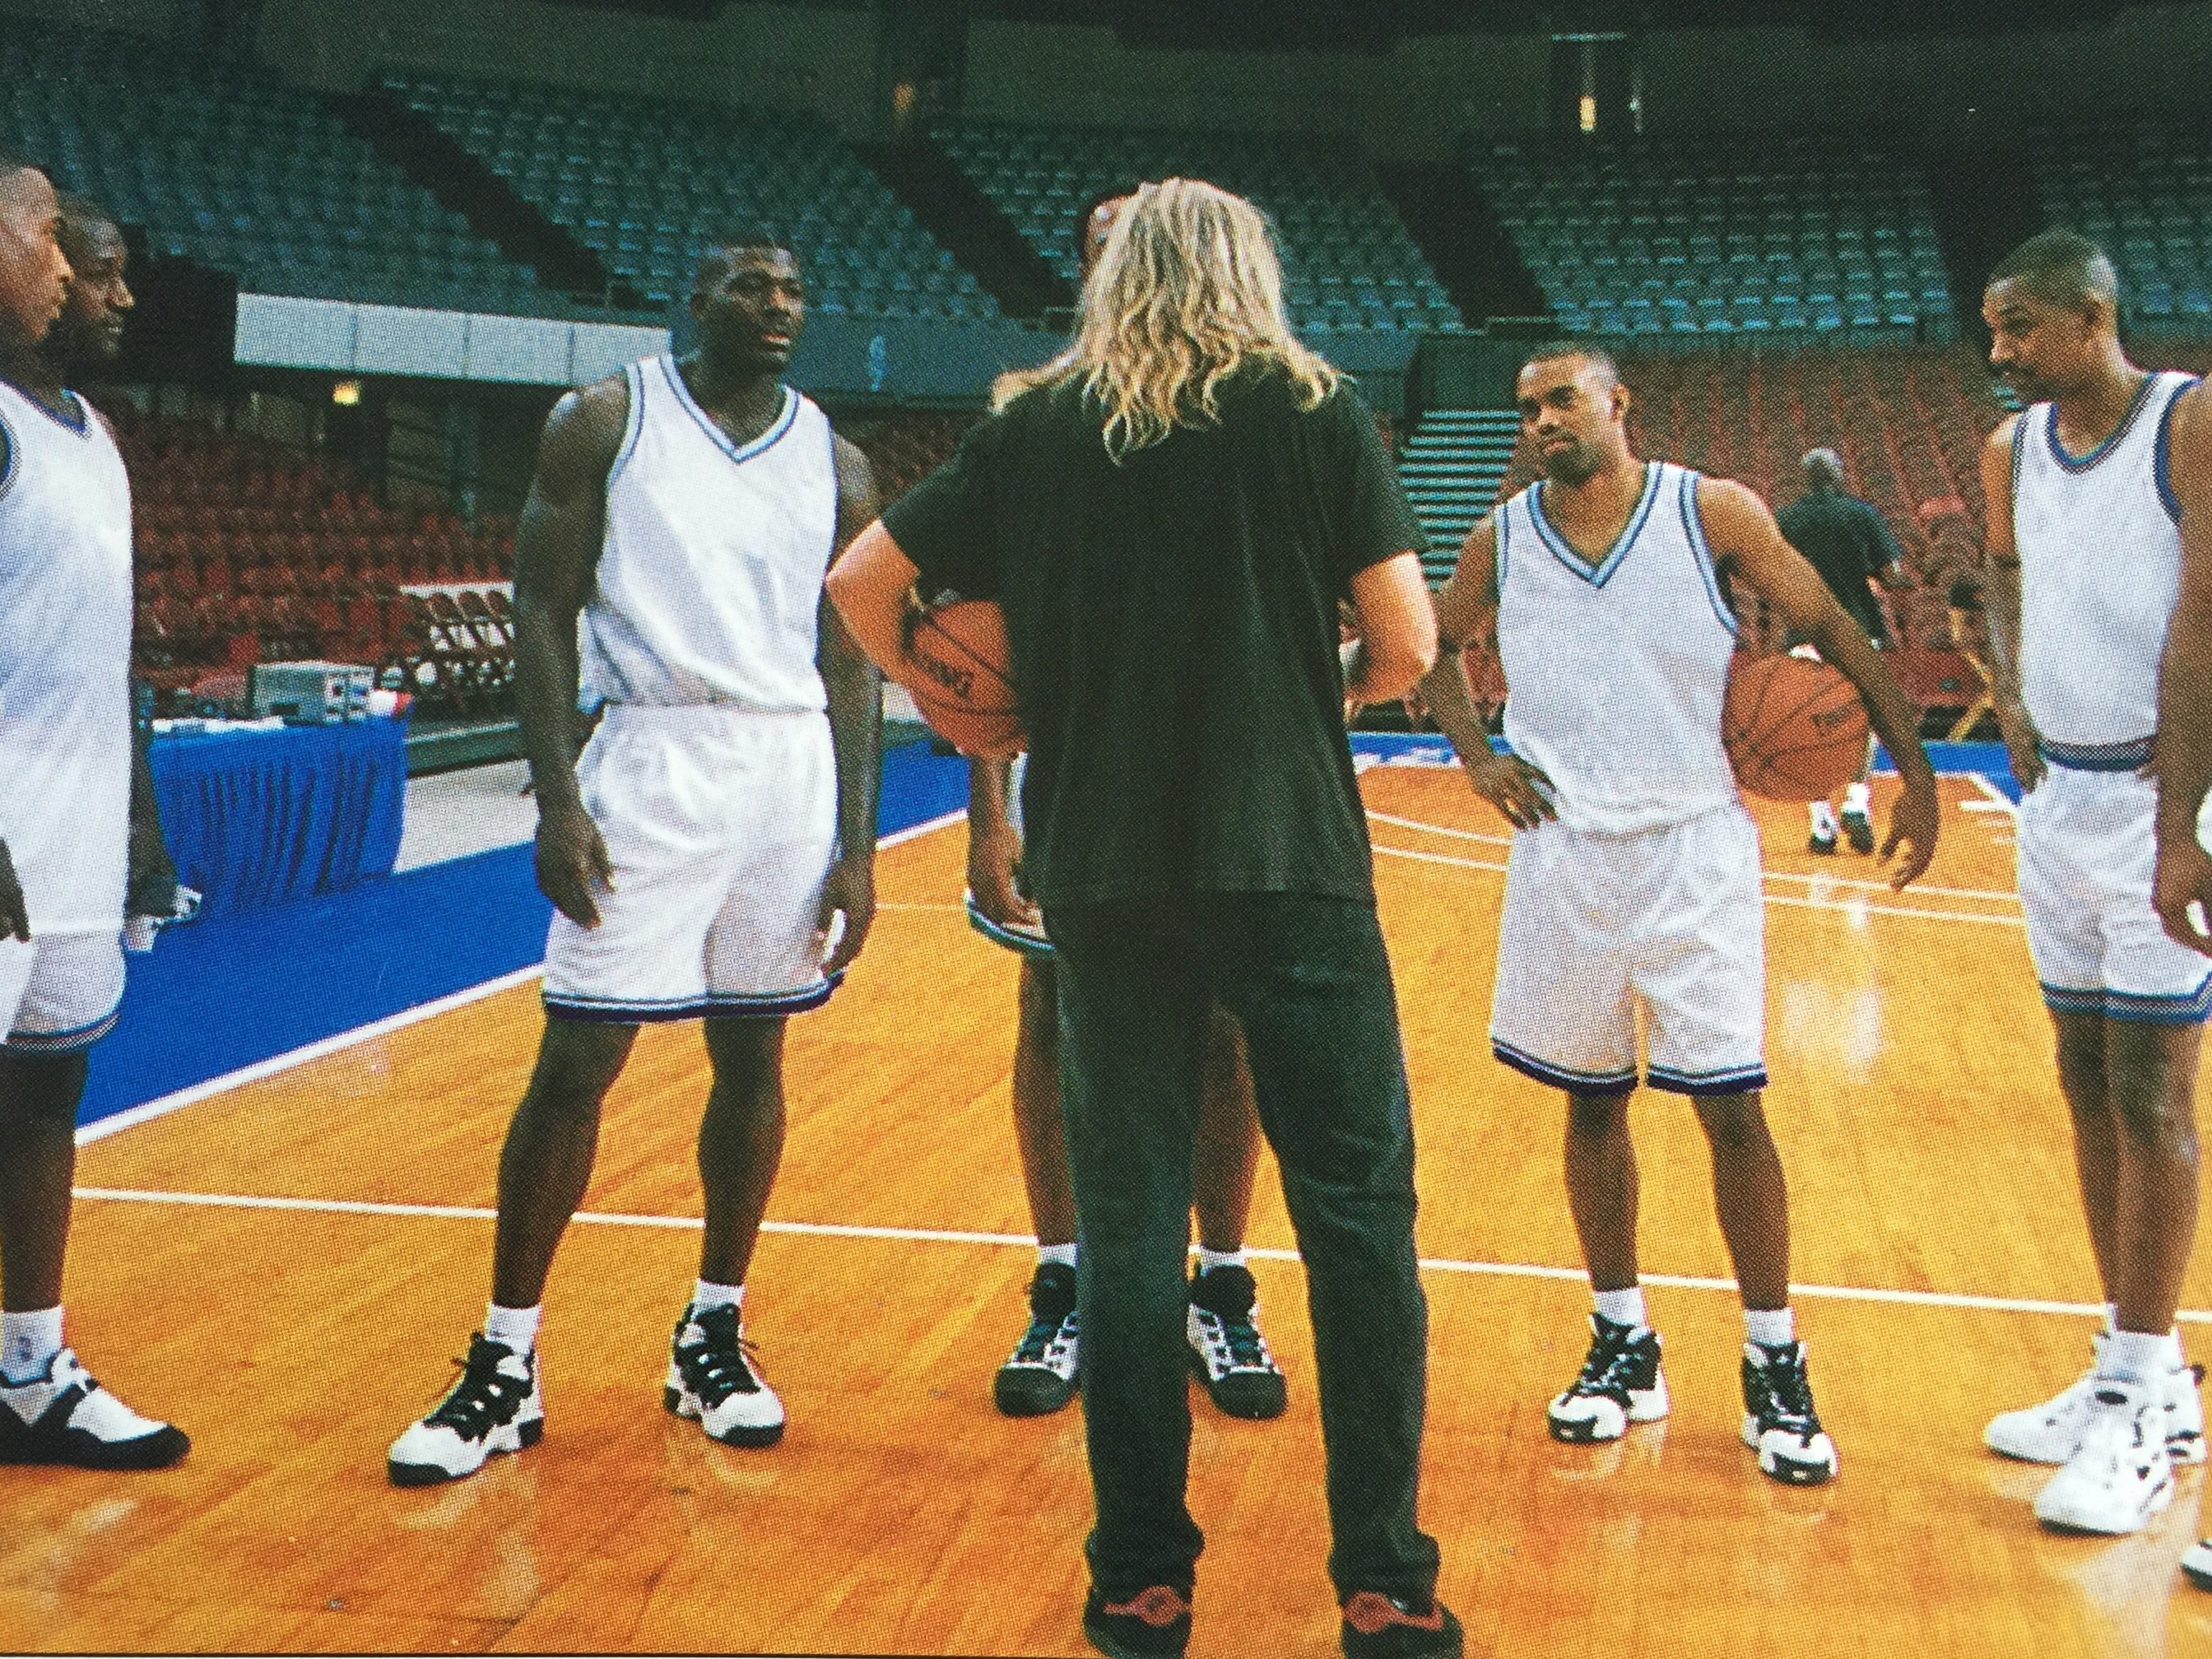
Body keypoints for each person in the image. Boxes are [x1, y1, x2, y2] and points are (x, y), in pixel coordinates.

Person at [830, 179, 1461, 1659]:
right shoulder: (1314, 413)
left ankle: (1139, 1580)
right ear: (1254, 267)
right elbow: (1409, 642)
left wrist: (988, 710)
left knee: (1124, 1231)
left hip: (1104, 869)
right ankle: (1379, 1580)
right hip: (1288, 857)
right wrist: (1326, 688)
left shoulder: (1033, 425)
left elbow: (863, 589)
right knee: (1359, 1226)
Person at [387, 231, 881, 1485]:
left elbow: (851, 661)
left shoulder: (837, 457)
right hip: (651, 758)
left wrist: (857, 845)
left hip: (787, 770)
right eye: (751, 287)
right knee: (579, 1056)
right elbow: (541, 609)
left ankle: (713, 1329)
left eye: (793, 288)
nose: (780, 305)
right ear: (693, 299)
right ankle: (504, 1361)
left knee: (754, 1048)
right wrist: (556, 799)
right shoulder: (605, 417)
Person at [1419, 343, 1940, 1489]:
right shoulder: (1500, 536)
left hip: (1695, 846)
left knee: (1731, 1111)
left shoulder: (1711, 510)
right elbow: (1430, 649)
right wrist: (1478, 760)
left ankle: (1773, 1358)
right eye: (1527, 409)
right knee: (1591, 1106)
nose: (1542, 421)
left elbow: (1840, 630)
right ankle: (1621, 1342)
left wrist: (1915, 771)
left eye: (1562, 399)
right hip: (1564, 853)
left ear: (1619, 405)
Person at [969, 185, 1285, 1424]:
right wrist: (991, 812)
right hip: (1076, 784)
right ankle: (1066, 1286)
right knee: (1052, 1022)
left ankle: (1219, 1286)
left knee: (1221, 1034)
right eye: (1106, 250)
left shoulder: (1252, 422)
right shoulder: (1032, 420)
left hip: (1214, 784)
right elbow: (976, 643)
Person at [1971, 230, 2212, 1540]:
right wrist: (2009, 694)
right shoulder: (2012, 451)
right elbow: (2005, 581)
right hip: (2060, 796)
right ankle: (2146, 1373)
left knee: (2150, 1086)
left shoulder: (2191, 420)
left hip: (2167, 801)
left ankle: (2139, 1406)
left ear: (2092, 313)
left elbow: (2209, 618)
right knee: (2081, 1074)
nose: (2000, 354)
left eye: (2019, 329)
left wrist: (2187, 824)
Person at [0, 161, 188, 1469]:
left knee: (45, 1097)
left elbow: (100, 653)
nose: (89, 284)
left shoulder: (90, 432)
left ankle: (26, 1371)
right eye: (70, 254)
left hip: (68, 839)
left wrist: (140, 818)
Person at [1774, 446, 1912, 854]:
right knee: (1862, 722)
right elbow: (1894, 576)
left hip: (1804, 633)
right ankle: (1856, 802)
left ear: (1805, 480)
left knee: (1806, 730)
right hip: (1856, 630)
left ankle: (1822, 825)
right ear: (1839, 476)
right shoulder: (1862, 514)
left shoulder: (1786, 519)